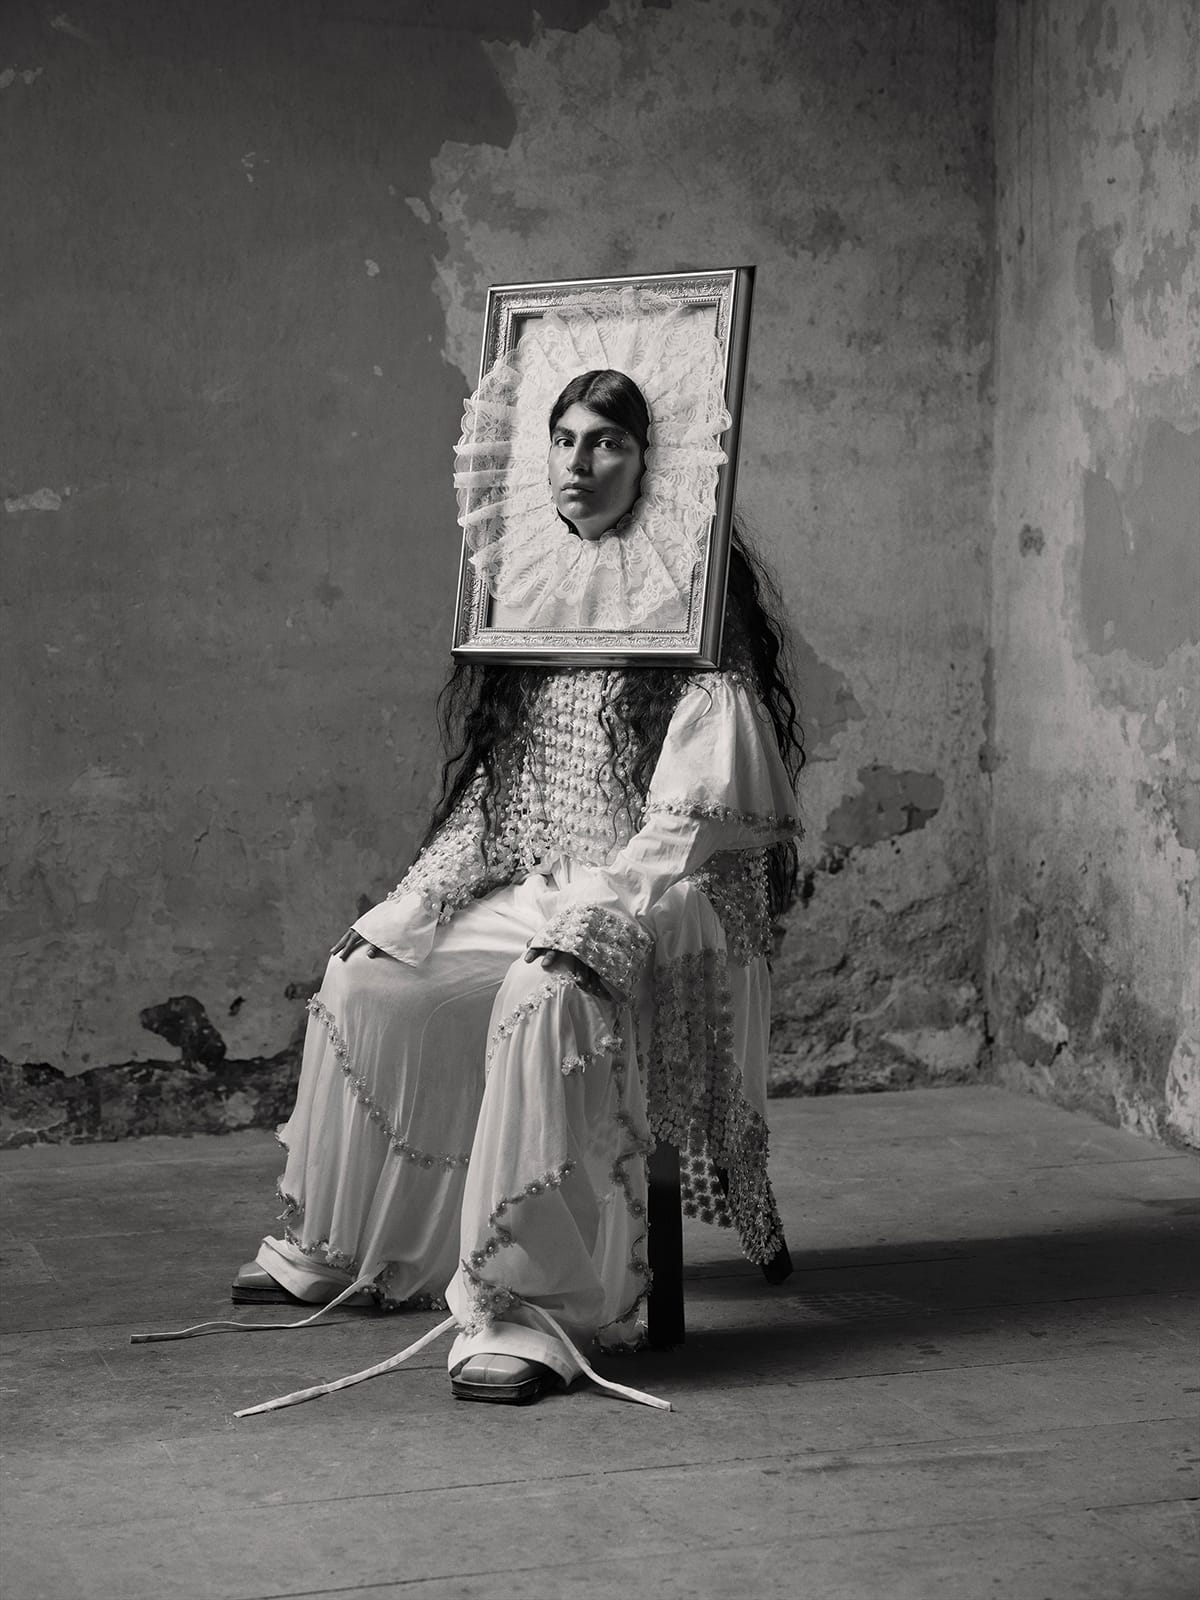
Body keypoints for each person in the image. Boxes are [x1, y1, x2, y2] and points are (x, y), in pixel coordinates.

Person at [231, 359, 804, 1408]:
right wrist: (411, 908)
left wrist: (598, 921)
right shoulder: (531, 591)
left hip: (666, 899)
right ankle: (355, 1244)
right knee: (369, 977)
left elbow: (694, 822)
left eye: (609, 442)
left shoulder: (693, 608)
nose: (580, 462)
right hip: (543, 884)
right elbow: (501, 802)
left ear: (654, 462)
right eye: (565, 439)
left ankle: (530, 1304)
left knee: (548, 995)